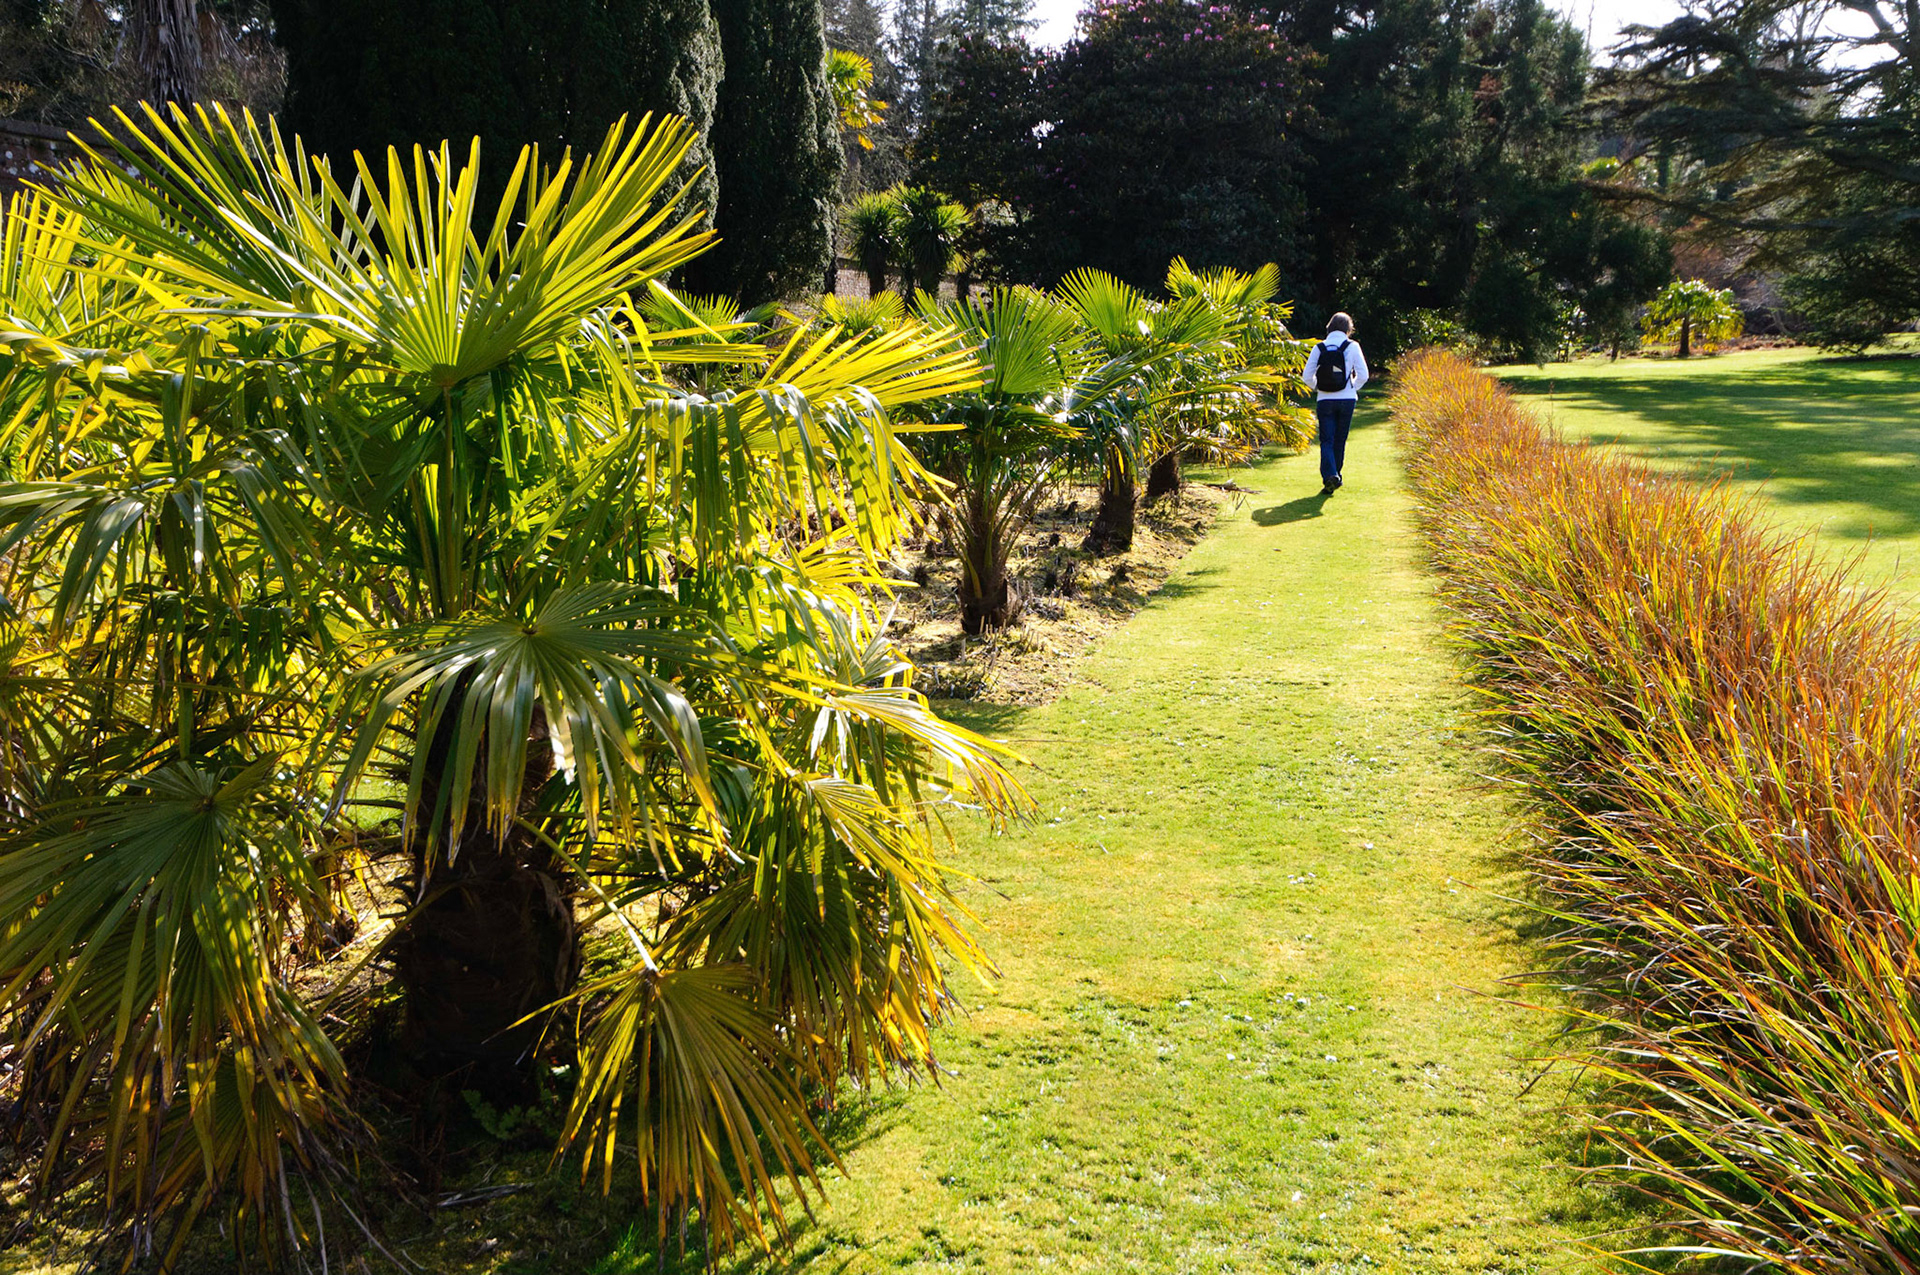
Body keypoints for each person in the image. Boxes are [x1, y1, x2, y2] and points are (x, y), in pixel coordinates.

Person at [1302, 312, 1369, 496]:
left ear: (1329, 327)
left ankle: (1330, 476)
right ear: (1348, 329)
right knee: (1340, 440)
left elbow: (1307, 376)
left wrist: (1319, 387)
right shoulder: (1352, 346)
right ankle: (1335, 475)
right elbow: (1363, 375)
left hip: (1325, 399)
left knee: (1327, 440)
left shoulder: (1319, 347)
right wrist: (1352, 387)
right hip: (1347, 399)